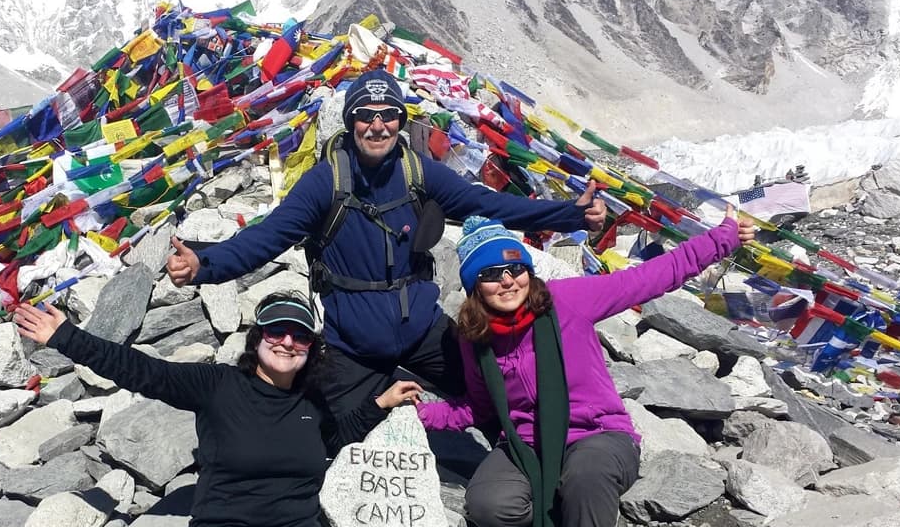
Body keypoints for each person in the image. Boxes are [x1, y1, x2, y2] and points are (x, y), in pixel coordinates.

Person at [167, 68, 607, 445]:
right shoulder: (326, 182)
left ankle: (525, 466)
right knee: (326, 431)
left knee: (495, 390)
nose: (377, 126)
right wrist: (205, 265)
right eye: (365, 116)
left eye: (388, 115)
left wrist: (570, 214)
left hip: (421, 329)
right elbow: (268, 237)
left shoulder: (418, 172)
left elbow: (489, 205)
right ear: (351, 120)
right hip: (352, 344)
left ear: (400, 119)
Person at [415, 206, 756, 527]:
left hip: (599, 435)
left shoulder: (567, 302)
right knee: (487, 507)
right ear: (473, 286)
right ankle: (563, 517)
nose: (507, 280)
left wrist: (722, 238)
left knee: (587, 473)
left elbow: (651, 277)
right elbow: (479, 411)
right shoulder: (476, 339)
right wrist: (417, 413)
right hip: (527, 447)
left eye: (515, 267)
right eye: (491, 273)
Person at [13, 292, 421, 527]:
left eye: (299, 336)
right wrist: (66, 337)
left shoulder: (312, 404)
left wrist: (379, 404)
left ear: (311, 348)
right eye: (276, 331)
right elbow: (142, 370)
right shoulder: (217, 386)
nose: (287, 342)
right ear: (257, 337)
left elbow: (334, 441)